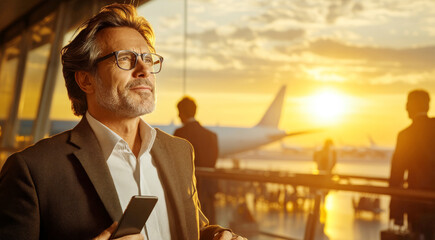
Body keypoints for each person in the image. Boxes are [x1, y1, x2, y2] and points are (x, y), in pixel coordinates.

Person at [0, 4, 246, 240]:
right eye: (125, 59)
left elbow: (189, 226)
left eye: (148, 59)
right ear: (86, 81)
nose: (144, 70)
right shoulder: (33, 171)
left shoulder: (180, 151)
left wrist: (215, 235)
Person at [389, 89, 435, 240]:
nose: (405, 108)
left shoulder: (406, 135)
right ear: (427, 106)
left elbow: (396, 176)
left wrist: (396, 213)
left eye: (407, 104)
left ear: (411, 106)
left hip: (417, 205)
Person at [174, 96, 219, 224]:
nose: (178, 116)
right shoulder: (211, 136)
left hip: (188, 190)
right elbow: (212, 162)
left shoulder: (180, 134)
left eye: (178, 112)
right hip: (208, 188)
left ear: (181, 112)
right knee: (209, 226)